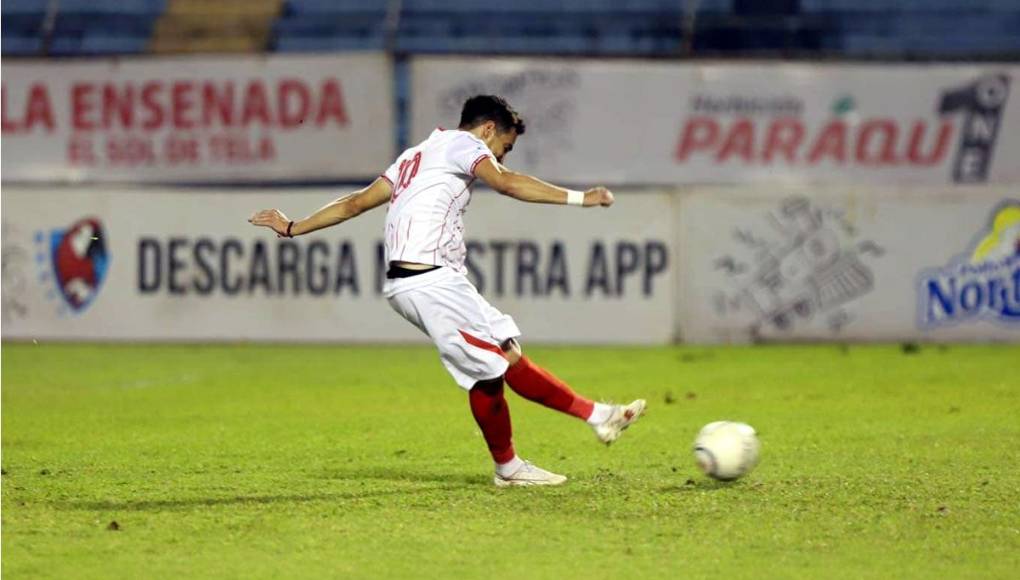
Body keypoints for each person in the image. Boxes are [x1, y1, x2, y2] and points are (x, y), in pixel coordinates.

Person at [250, 95, 645, 486]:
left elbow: (355, 204)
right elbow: (506, 184)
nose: (501, 159)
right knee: (502, 364)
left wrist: (292, 227)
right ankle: (596, 417)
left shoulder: (414, 156)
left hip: (435, 279)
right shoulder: (464, 145)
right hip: (428, 282)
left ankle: (514, 465)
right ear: (488, 129)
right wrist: (583, 198)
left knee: (499, 360)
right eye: (504, 148)